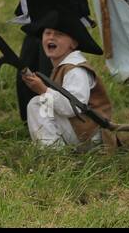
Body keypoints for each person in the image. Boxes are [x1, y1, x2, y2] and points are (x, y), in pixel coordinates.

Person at [21, 11, 113, 149]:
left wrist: (43, 90)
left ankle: (53, 155)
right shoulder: (61, 67)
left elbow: (73, 107)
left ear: (74, 43)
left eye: (59, 34)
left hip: (90, 133)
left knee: (38, 104)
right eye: (47, 33)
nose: (51, 37)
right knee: (42, 105)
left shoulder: (76, 70)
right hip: (80, 129)